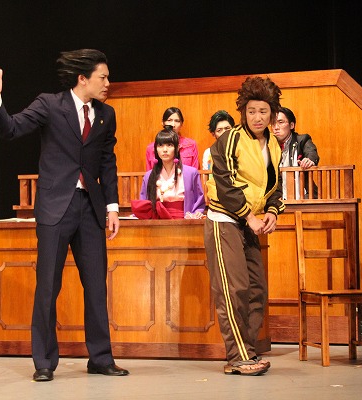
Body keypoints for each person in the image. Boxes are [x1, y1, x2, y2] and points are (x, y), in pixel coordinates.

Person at [0, 49, 129, 382]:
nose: (108, 83)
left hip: (90, 209)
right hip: (55, 208)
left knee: (96, 286)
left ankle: (101, 357)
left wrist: (112, 207)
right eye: (103, 77)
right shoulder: (49, 104)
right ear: (83, 78)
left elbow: (107, 162)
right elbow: (11, 129)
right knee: (48, 286)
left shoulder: (106, 114)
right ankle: (44, 362)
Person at [204, 76, 285, 376]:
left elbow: (274, 185)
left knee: (256, 290)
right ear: (243, 112)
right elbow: (226, 185)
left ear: (272, 113)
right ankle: (238, 356)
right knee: (233, 289)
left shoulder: (273, 145)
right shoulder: (229, 140)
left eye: (263, 111)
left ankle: (247, 351)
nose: (257, 117)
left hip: (250, 224)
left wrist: (273, 211)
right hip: (225, 220)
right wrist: (249, 216)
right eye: (251, 111)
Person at [137, 127, 205, 219]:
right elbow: (144, 203)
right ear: (156, 149)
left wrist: (197, 213)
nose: (165, 149)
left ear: (177, 148)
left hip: (184, 219)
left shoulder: (191, 173)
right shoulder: (149, 176)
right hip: (157, 220)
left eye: (169, 145)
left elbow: (199, 201)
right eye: (160, 145)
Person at [271, 106, 320, 199]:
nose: (276, 127)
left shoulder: (302, 140)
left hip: (305, 197)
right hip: (279, 198)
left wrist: (309, 160)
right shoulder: (269, 145)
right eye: (273, 123)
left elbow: (311, 152)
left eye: (280, 122)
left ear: (291, 125)